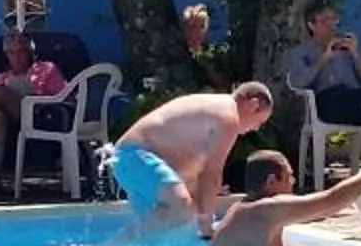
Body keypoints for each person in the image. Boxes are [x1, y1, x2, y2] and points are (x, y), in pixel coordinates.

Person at [112, 79, 277, 234]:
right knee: (181, 207)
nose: (256, 129)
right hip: (135, 155)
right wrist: (207, 224)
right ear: (253, 104)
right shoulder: (228, 118)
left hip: (130, 158)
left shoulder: (215, 110)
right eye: (260, 122)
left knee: (180, 219)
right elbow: (211, 174)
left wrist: (205, 198)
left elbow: (195, 173)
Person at [202, 150, 361, 246]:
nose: (293, 182)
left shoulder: (241, 208)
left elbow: (321, 209)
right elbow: (331, 201)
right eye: (289, 176)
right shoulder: (266, 208)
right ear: (271, 181)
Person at [282, 1, 361, 157]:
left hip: (357, 99)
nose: (331, 25)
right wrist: (323, 59)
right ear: (311, 25)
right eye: (325, 20)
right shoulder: (303, 52)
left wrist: (355, 53)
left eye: (334, 19)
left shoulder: (345, 48)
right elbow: (297, 82)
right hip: (329, 103)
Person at [0, 28, 69, 190]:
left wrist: (37, 96)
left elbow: (66, 98)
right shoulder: (1, 77)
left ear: (30, 52)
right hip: (13, 126)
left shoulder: (46, 70)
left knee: (0, 92)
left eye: (21, 52)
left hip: (40, 117)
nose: (16, 57)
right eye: (11, 53)